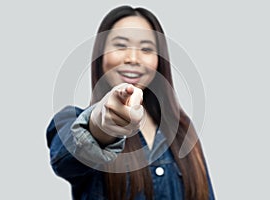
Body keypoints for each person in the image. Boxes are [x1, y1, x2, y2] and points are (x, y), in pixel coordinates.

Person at [46, 5, 215, 200]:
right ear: (101, 55)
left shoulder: (182, 130)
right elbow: (67, 157)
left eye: (146, 49)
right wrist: (103, 125)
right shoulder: (70, 120)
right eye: (120, 45)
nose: (133, 58)